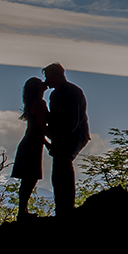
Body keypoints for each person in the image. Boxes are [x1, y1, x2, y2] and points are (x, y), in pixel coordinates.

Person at [43, 62, 90, 215]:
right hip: (70, 136)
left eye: (47, 77)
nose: (46, 81)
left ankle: (65, 207)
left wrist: (60, 138)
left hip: (72, 136)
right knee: (61, 167)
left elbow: (72, 120)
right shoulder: (62, 92)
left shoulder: (70, 92)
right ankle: (64, 206)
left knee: (61, 166)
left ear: (54, 76)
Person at [11, 77, 48, 217]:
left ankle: (22, 211)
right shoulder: (39, 103)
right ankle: (22, 212)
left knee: (27, 179)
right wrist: (50, 143)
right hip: (33, 144)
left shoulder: (31, 103)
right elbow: (41, 128)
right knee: (30, 179)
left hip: (29, 143)